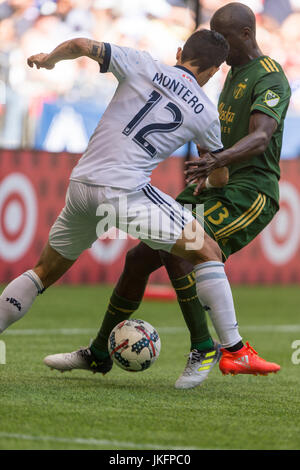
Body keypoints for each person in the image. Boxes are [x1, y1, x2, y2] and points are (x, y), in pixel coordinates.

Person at [0, 26, 280, 384]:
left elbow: (80, 44)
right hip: (125, 194)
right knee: (206, 251)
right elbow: (220, 176)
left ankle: (96, 351)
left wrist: (50, 60)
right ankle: (234, 349)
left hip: (82, 186)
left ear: (180, 53)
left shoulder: (141, 63)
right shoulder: (206, 114)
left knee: (42, 272)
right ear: (213, 73)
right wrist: (209, 179)